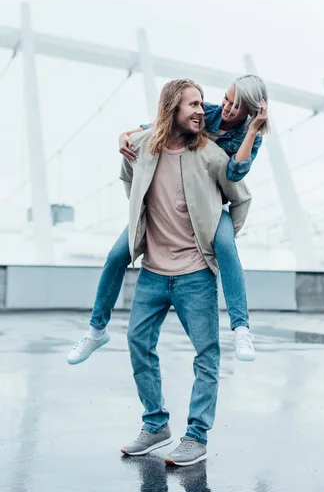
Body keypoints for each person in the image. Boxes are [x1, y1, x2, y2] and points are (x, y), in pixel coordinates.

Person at [67, 74, 268, 366]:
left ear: (249, 110)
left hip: (211, 207)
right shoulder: (207, 111)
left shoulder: (251, 137)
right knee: (115, 256)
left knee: (226, 247)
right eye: (226, 98)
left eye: (235, 106)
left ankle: (241, 328)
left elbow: (235, 174)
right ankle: (96, 330)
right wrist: (126, 133)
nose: (225, 107)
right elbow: (162, 124)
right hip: (173, 201)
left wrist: (251, 131)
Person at [118, 79, 252, 465]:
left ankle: (196, 436)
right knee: (137, 344)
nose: (201, 110)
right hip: (153, 272)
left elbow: (240, 197)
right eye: (193, 104)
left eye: (201, 104)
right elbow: (128, 179)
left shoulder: (209, 153)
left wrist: (218, 237)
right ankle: (156, 423)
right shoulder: (141, 148)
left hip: (195, 273)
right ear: (171, 109)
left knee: (206, 354)